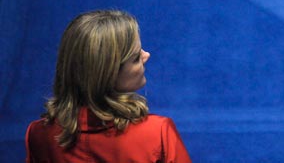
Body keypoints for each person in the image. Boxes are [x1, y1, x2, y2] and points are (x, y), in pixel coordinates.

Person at [25, 9, 192, 162]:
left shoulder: (38, 135)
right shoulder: (158, 134)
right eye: (135, 58)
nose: (146, 55)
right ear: (108, 74)